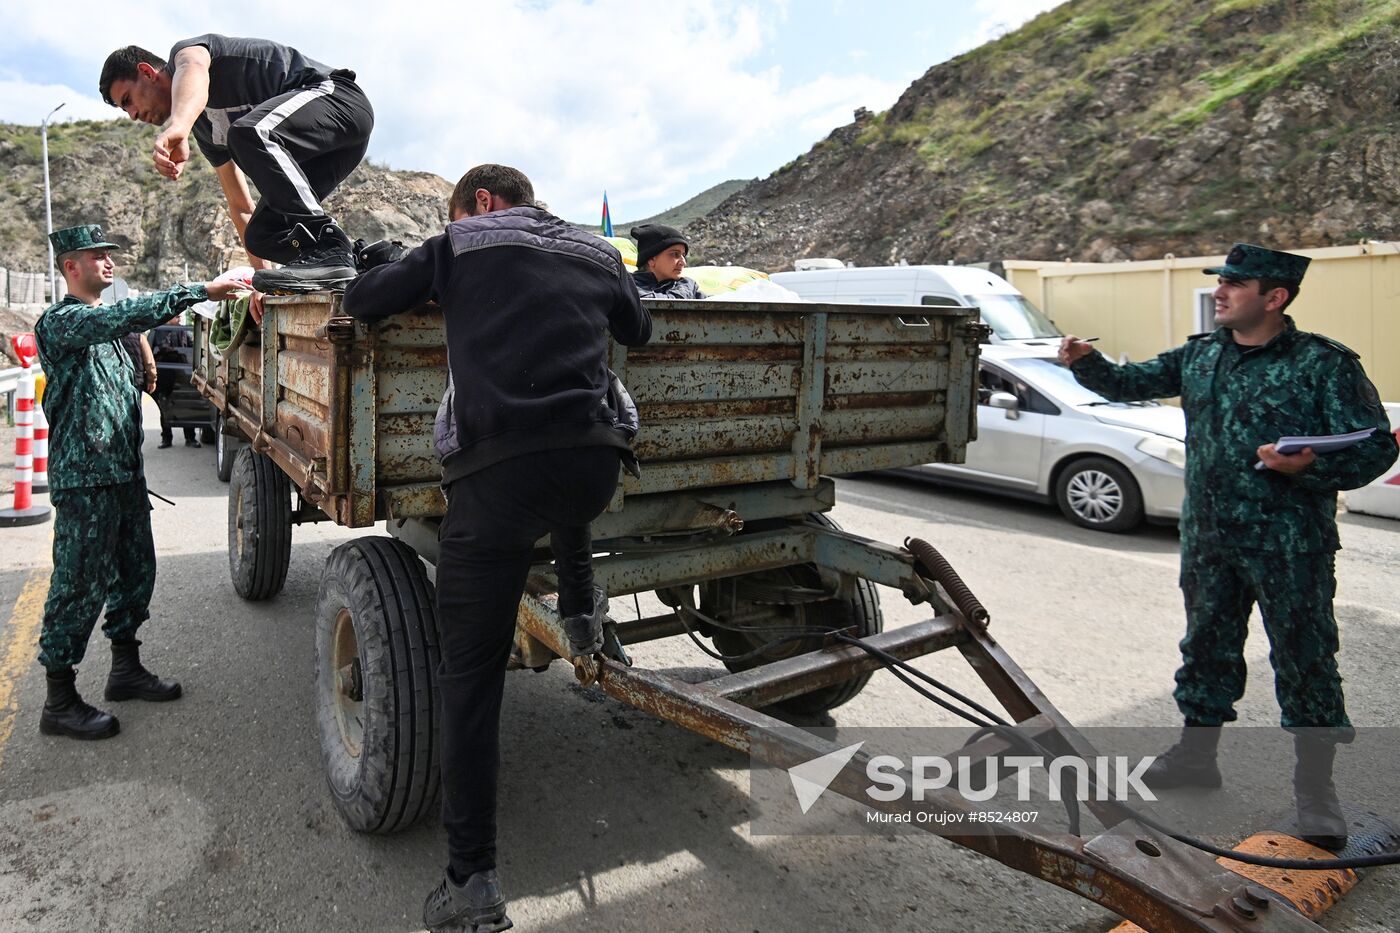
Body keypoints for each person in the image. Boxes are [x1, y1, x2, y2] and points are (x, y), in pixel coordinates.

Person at [343, 164, 651, 932]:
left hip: (500, 476)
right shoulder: (595, 249)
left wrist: (408, 277)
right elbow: (638, 329)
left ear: (480, 202)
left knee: (471, 679)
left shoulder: (458, 242)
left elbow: (361, 302)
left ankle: (470, 880)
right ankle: (580, 610)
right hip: (597, 468)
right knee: (564, 467)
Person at [1059, 243, 1398, 850]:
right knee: (1207, 645)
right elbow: (1127, 383)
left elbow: (1376, 449)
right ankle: (1196, 755)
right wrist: (1086, 361)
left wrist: (1307, 469)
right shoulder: (1201, 356)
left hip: (1289, 545)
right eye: (1221, 282)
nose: (1220, 292)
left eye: (1235, 285)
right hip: (1211, 539)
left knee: (1305, 659)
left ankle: (1315, 792)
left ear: (1275, 297)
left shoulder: (1324, 365)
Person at [33, 224, 241, 741]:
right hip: (85, 482)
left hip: (123, 476)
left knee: (134, 573)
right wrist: (202, 290)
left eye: (110, 255)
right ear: (70, 267)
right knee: (77, 586)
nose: (108, 262)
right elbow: (120, 316)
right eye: (97, 256)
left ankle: (125, 670)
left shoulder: (110, 336)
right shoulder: (62, 323)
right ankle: (59, 699)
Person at [99, 36, 373, 294]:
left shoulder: (187, 53)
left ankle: (329, 244)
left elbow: (192, 67)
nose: (133, 115)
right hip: (326, 151)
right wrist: (258, 282)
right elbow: (240, 205)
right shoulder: (206, 131)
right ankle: (356, 259)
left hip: (339, 101)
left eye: (128, 101)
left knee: (248, 133)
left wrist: (179, 126)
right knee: (261, 234)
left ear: (147, 72)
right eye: (126, 112)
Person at [151, 319, 200, 448]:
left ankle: (190, 438)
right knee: (164, 405)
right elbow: (156, 351)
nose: (179, 318)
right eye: (176, 316)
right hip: (164, 372)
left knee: (185, 405)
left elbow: (191, 347)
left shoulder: (183, 331)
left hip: (182, 371)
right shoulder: (159, 331)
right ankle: (166, 438)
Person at [630, 223, 705, 298]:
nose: (683, 262)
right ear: (651, 259)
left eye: (683, 255)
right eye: (675, 254)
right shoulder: (628, 289)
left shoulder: (686, 286)